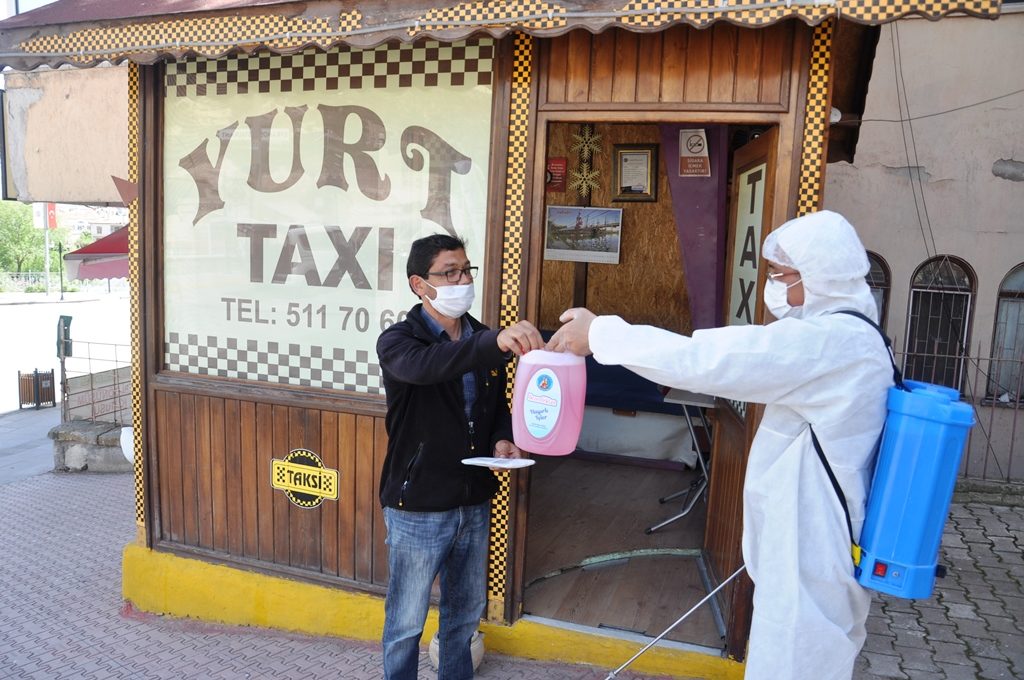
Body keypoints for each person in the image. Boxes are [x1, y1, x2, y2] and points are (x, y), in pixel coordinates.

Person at [547, 210, 892, 680]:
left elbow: (710, 360)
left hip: (810, 548)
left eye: (781, 274)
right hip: (808, 542)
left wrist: (602, 333)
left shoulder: (833, 342)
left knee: (795, 661)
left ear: (819, 276)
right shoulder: (843, 335)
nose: (773, 285)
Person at [375, 233, 544, 680]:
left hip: (473, 500)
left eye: (466, 270)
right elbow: (431, 366)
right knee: (405, 623)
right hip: (419, 505)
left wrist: (502, 439)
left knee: (464, 617)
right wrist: (494, 343)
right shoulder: (398, 342)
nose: (463, 280)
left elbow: (494, 408)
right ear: (419, 284)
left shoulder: (483, 338)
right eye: (449, 272)